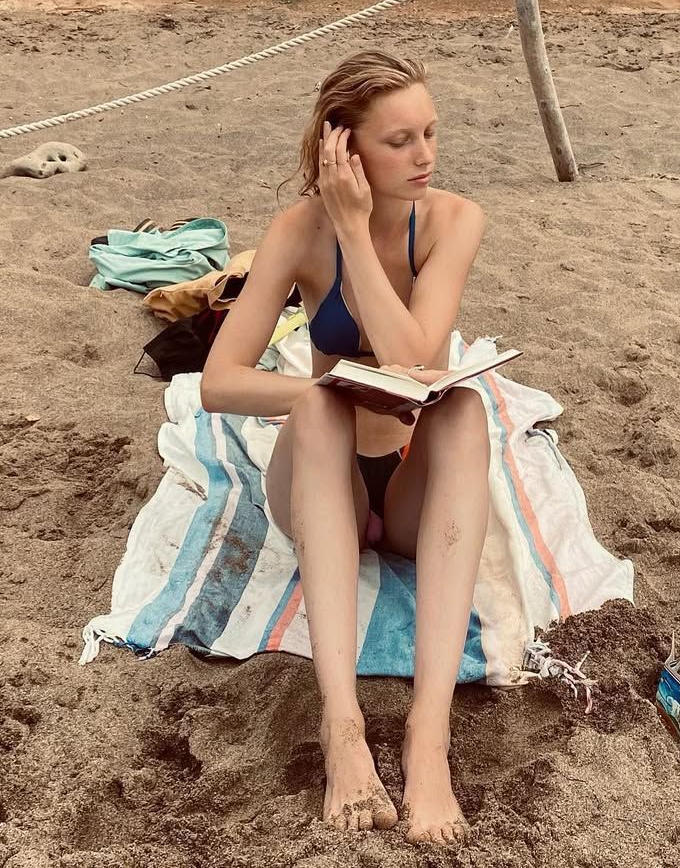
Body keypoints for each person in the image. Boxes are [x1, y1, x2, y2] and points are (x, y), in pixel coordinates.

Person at [200, 49, 490, 844]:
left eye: (430, 132)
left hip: (406, 486)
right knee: (322, 407)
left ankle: (428, 739)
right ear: (345, 147)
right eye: (399, 140)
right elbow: (219, 380)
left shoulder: (454, 220)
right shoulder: (298, 230)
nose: (425, 154)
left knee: (464, 407)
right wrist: (320, 391)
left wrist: (359, 237)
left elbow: (414, 355)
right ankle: (342, 725)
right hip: (323, 479)